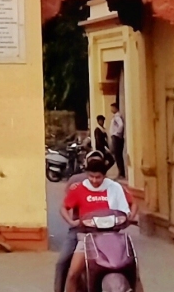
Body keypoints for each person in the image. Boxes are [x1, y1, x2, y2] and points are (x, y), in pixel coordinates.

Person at [62, 153, 130, 292]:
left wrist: (125, 218)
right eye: (91, 176)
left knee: (130, 266)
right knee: (73, 273)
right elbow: (64, 207)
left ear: (104, 175)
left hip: (112, 237)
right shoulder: (79, 188)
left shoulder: (115, 188)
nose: (94, 180)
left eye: (98, 177)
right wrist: (71, 221)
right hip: (87, 237)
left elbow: (125, 210)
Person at [108, 103, 126, 179]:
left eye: (112, 108)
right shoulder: (115, 116)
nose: (111, 109)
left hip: (116, 137)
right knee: (117, 155)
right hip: (115, 136)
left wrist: (117, 133)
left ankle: (121, 173)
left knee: (118, 156)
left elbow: (121, 125)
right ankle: (120, 172)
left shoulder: (117, 116)